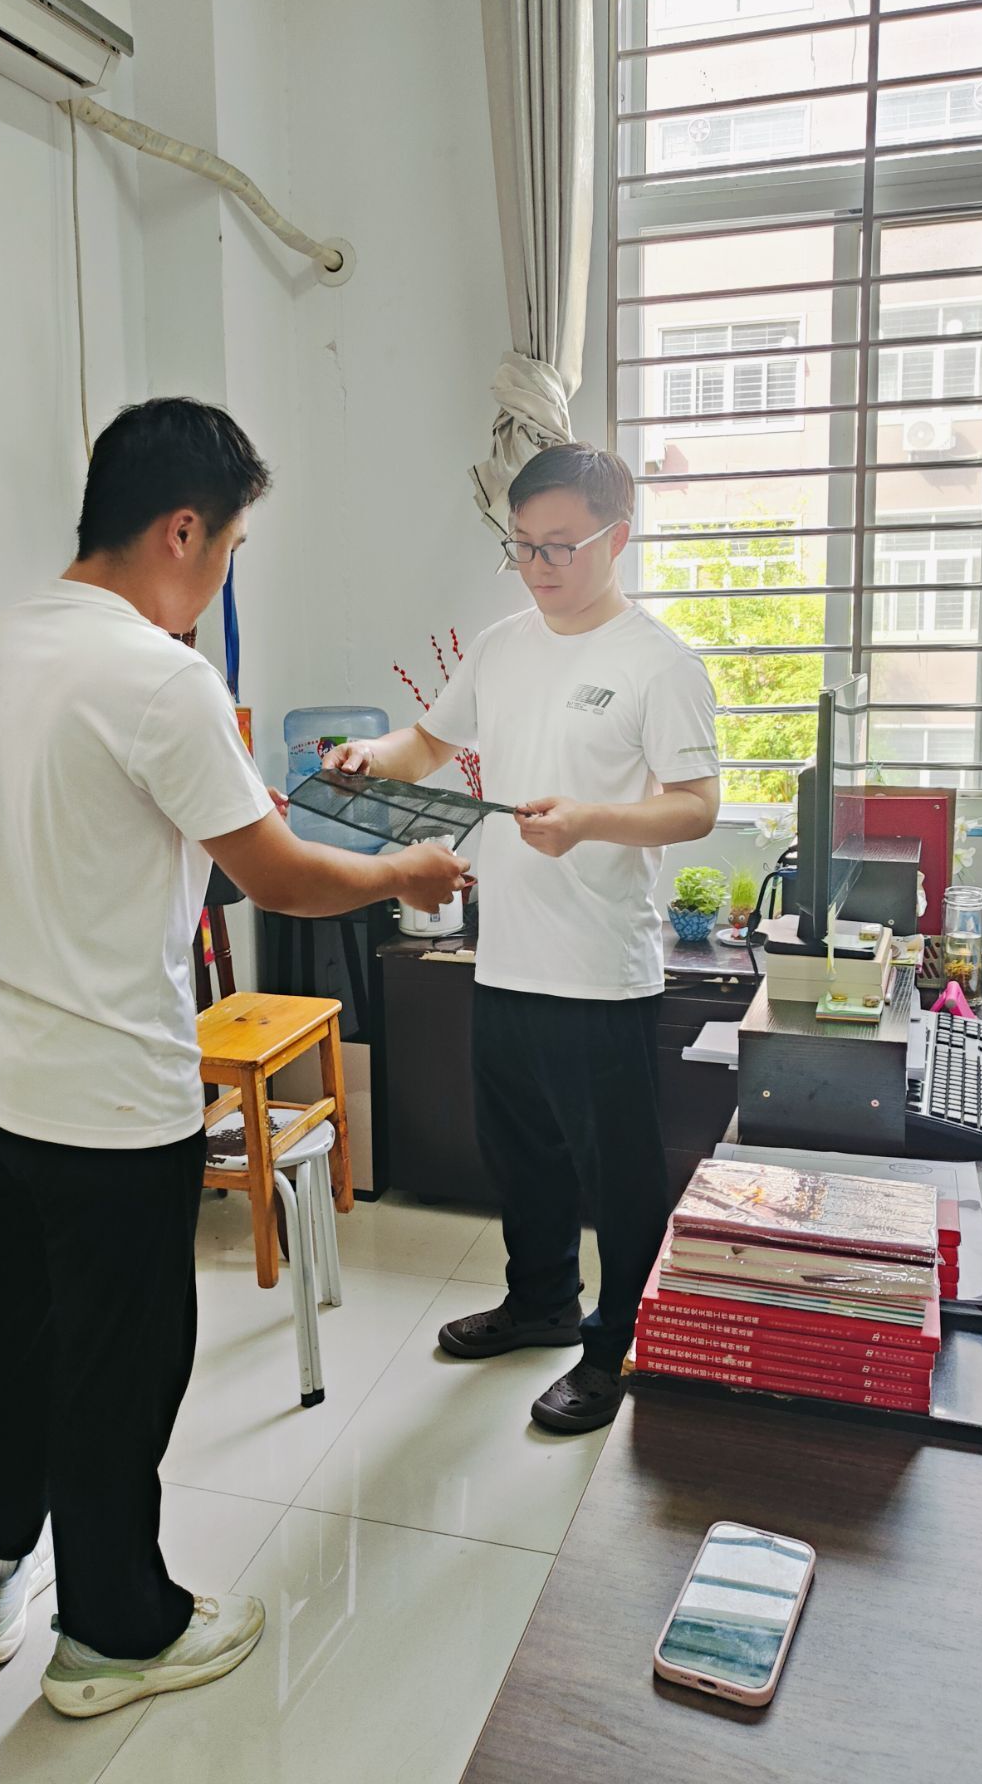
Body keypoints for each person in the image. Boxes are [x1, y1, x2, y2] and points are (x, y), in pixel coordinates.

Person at [0, 398, 466, 1718]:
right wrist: (401, 871)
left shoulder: (3, 636)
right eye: (227, 547)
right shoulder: (163, 678)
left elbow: (87, 819)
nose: (222, 571)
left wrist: (215, 800)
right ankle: (115, 1634)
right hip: (103, 1097)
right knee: (118, 1363)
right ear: (180, 530)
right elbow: (280, 878)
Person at [326, 443, 719, 1434]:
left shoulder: (659, 663)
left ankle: (614, 1344)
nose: (539, 566)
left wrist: (589, 820)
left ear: (617, 539)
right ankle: (540, 1301)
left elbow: (696, 805)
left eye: (560, 547)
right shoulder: (502, 645)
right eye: (523, 546)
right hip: (504, 958)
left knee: (617, 1175)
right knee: (521, 1152)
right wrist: (373, 755)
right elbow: (431, 741)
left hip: (600, 970)